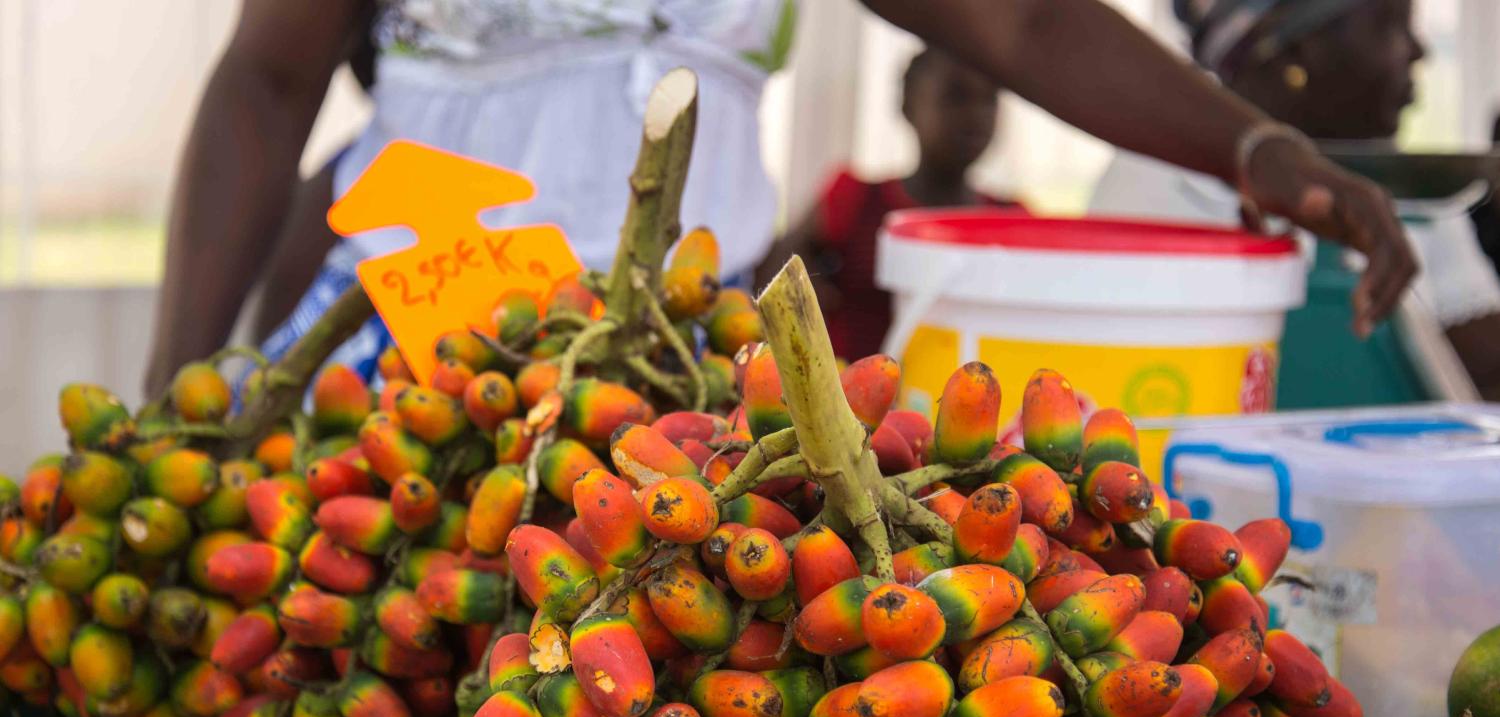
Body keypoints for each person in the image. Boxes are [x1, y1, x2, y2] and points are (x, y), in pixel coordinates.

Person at [143, 0, 1417, 396]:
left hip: (682, 374)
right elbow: (265, 84)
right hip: (405, 356)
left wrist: (1254, 147)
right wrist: (172, 394)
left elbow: (1027, 24)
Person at [1090, 0, 1500, 398]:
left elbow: (1482, 358)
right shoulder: (1156, 183)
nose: (1418, 50)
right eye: (1390, 25)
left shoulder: (1408, 190)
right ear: (1298, 48)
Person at [760, 48, 1024, 361]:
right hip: (851, 401)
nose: (975, 114)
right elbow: (773, 271)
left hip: (973, 402)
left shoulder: (1014, 221)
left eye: (990, 99)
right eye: (956, 96)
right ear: (908, 106)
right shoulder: (854, 198)